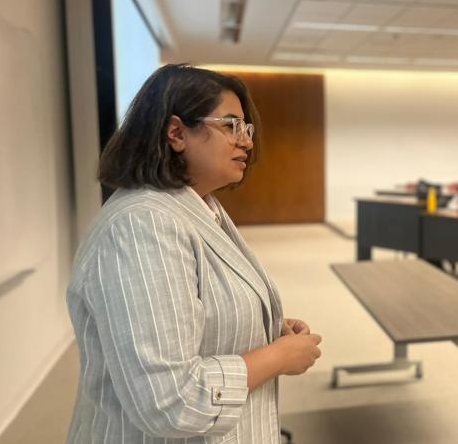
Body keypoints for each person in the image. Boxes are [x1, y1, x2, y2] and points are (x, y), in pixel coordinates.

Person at [66, 64, 322, 443]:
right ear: (176, 132)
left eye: (247, 129)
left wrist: (263, 327)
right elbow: (169, 401)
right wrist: (279, 357)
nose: (247, 142)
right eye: (231, 126)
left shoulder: (197, 207)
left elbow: (195, 310)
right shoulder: (143, 225)